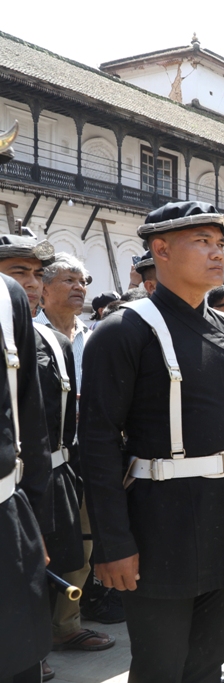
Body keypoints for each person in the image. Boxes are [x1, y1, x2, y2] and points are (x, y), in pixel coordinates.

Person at [79, 202, 224, 683]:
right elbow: (98, 444)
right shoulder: (124, 331)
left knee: (210, 658)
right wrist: (112, 543)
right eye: (202, 243)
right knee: (161, 666)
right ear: (161, 250)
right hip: (160, 520)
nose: (217, 254)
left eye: (219, 244)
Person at [0, 242, 53, 683]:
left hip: (4, 512)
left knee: (16, 660)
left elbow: (29, 422)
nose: (33, 283)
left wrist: (35, 524)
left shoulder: (7, 297)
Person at [36, 253, 91, 389]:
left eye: (82, 282)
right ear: (44, 289)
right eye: (69, 280)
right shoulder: (29, 333)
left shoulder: (91, 337)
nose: (79, 287)